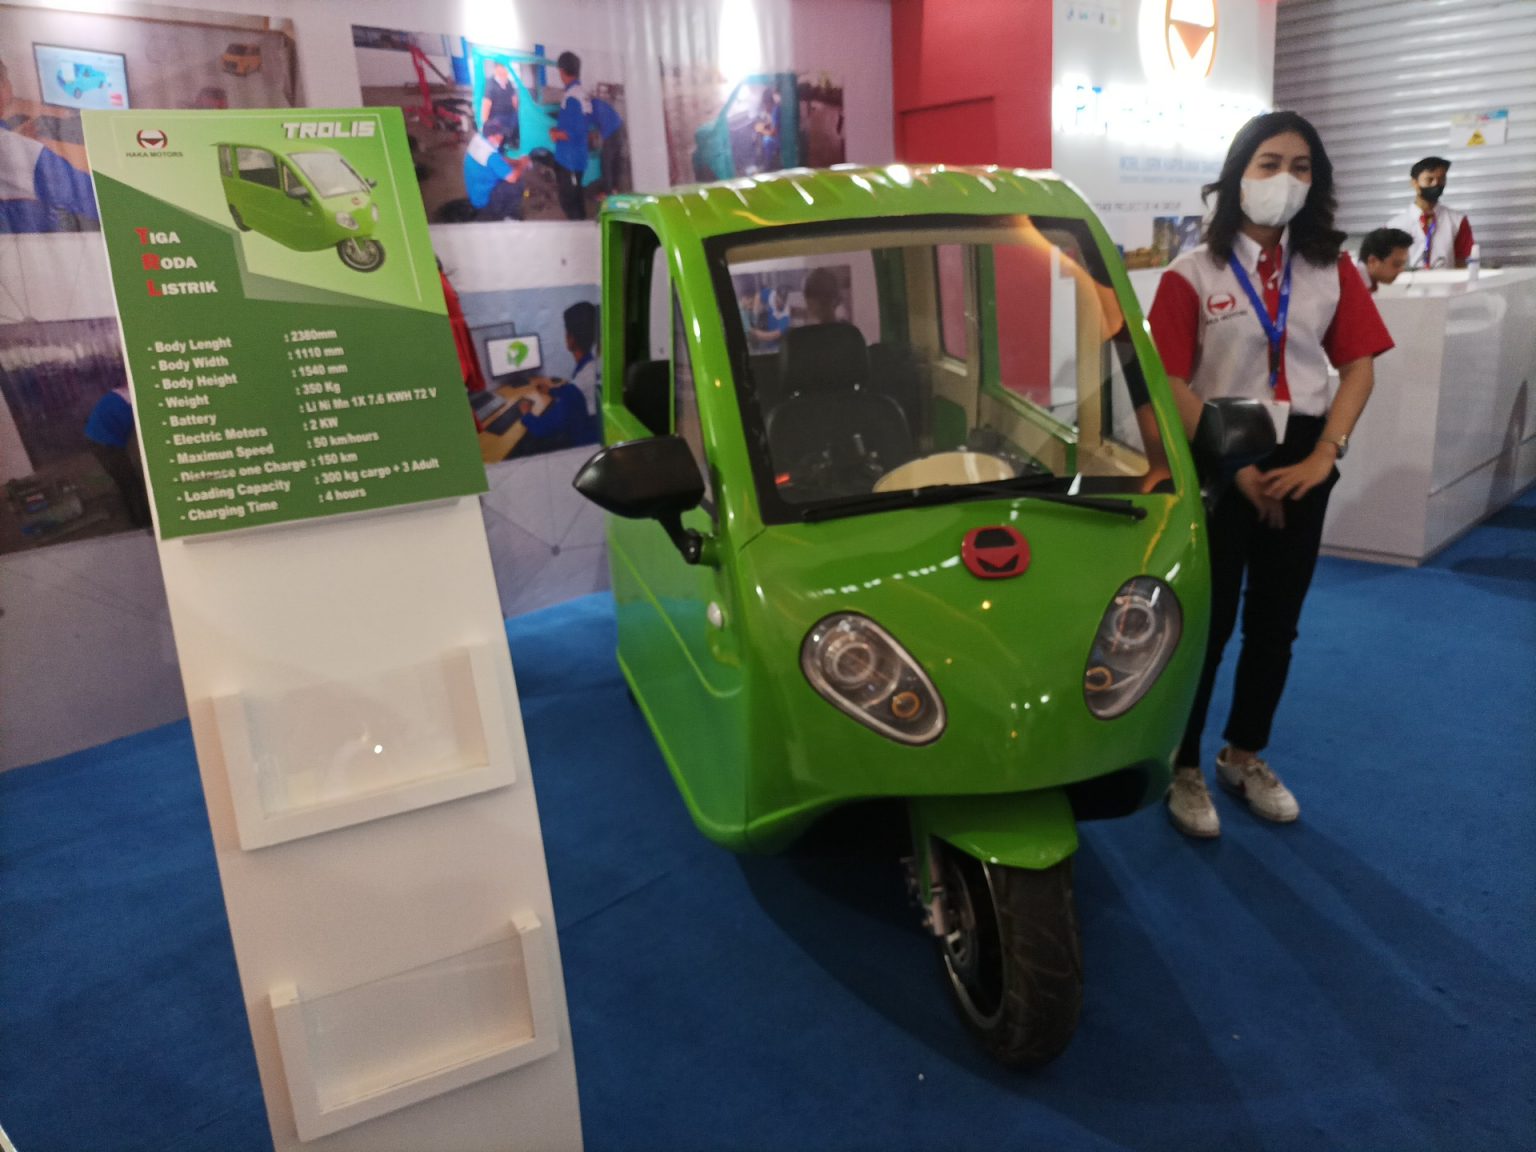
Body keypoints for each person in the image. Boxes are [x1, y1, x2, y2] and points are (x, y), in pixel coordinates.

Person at [1147, 110, 1394, 838]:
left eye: (1301, 167)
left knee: (1277, 622)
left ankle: (1244, 753)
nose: (1285, 179)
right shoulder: (1191, 272)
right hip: (1221, 453)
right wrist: (1236, 466)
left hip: (1305, 457)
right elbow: (1168, 381)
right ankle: (1183, 765)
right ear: (1237, 175)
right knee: (1209, 622)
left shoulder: (1332, 270)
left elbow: (1358, 369)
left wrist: (1325, 456)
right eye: (1269, 163)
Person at [0, 57, 99, 232]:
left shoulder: (13, 145)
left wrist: (18, 141)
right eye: (7, 81)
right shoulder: (18, 151)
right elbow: (89, 195)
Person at [1387, 157, 1474, 270]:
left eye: (1441, 179)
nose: (1436, 184)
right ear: (1414, 183)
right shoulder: (1394, 225)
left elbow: (1463, 262)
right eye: (1429, 179)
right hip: (1409, 280)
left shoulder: (1458, 221)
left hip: (1447, 280)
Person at [84, 385, 151, 528]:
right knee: (130, 482)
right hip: (104, 442)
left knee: (126, 482)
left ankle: (138, 518)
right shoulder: (132, 404)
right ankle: (142, 521)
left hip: (96, 436)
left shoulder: (120, 395)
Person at [549, 51, 591, 221]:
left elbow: (576, 132)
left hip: (570, 161)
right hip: (576, 157)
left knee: (570, 203)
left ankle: (578, 229)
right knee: (576, 197)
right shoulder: (579, 93)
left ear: (562, 71)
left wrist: (556, 134)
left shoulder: (573, 97)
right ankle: (581, 225)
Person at [463, 118, 528, 222]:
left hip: (475, 191)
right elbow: (513, 178)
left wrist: (516, 162)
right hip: (484, 202)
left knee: (510, 172)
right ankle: (507, 216)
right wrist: (523, 165)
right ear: (491, 136)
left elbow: (500, 159)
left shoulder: (478, 139)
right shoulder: (491, 156)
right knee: (518, 183)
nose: (502, 137)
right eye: (499, 134)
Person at [563, 301, 600, 414]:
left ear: (571, 338)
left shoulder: (577, 385)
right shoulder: (591, 364)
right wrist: (554, 391)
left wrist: (526, 413)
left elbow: (547, 423)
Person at [1357, 227, 1413, 292]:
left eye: (1403, 264)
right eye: (1397, 264)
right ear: (1373, 261)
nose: (1401, 270)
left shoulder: (1364, 285)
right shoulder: (1353, 287)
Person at [479, 60, 519, 150]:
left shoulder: (508, 83)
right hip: (497, 115)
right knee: (499, 129)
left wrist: (519, 111)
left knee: (519, 119)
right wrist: (484, 124)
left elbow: (514, 99)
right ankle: (500, 146)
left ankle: (511, 141)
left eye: (505, 69)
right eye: (501, 68)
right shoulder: (491, 83)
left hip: (510, 113)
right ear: (496, 69)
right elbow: (486, 104)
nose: (504, 71)